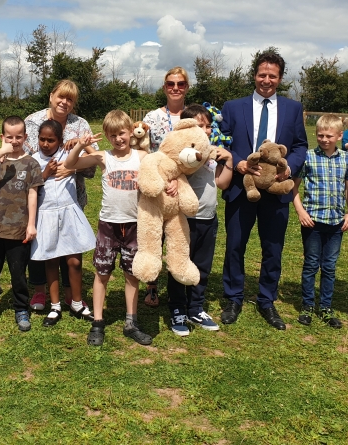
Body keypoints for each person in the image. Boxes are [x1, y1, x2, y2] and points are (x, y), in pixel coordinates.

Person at [218, 50, 308, 330]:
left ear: (280, 79)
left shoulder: (293, 109)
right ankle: (233, 298)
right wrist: (239, 162)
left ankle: (267, 300)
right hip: (241, 189)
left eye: (272, 75)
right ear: (254, 76)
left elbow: (300, 146)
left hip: (276, 191)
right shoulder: (233, 107)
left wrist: (288, 169)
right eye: (262, 74)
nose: (266, 80)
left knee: (273, 248)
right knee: (235, 245)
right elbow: (222, 142)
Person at [64, 110, 153, 346]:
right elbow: (70, 163)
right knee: (102, 274)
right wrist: (80, 146)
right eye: (112, 135)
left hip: (134, 225)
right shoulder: (104, 157)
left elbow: (161, 171)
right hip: (108, 226)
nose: (118, 139)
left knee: (131, 275)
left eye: (122, 133)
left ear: (130, 131)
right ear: (106, 135)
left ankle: (131, 322)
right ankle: (98, 321)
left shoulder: (142, 157)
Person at [24, 79, 96, 311]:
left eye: (70, 99)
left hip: (69, 199)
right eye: (60, 97)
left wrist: (72, 166)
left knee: (69, 247)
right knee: (41, 246)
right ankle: (39, 292)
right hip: (39, 201)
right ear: (51, 96)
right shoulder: (33, 122)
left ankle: (71, 296)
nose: (64, 102)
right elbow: (24, 160)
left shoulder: (80, 124)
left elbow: (93, 166)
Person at [167, 104, 234, 337]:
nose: (205, 130)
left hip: (208, 218)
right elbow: (174, 170)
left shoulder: (213, 151)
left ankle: (196, 307)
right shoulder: (183, 153)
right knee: (179, 263)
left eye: (207, 126)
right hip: (184, 219)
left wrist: (229, 160)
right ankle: (177, 308)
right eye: (199, 126)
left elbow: (223, 183)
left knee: (202, 266)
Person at [0, 116, 43, 332]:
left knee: (18, 273)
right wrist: (0, 152)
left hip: (18, 230)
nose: (14, 141)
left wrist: (31, 224)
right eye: (9, 137)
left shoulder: (32, 163)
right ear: (3, 137)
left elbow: (33, 195)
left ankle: (21, 308)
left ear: (25, 137)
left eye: (18, 137)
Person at [292, 115, 348, 329]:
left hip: (336, 222)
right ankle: (308, 306)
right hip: (313, 221)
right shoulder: (308, 158)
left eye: (329, 136)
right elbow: (294, 188)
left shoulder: (347, 159)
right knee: (311, 264)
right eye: (320, 135)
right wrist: (300, 211)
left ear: (339, 136)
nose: (325, 139)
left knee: (329, 266)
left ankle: (326, 307)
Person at [140, 66, 192, 307]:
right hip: (156, 185)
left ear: (186, 88)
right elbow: (142, 149)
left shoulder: (191, 118)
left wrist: (178, 179)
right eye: (171, 84)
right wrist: (161, 179)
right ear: (164, 87)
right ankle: (152, 287)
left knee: (178, 236)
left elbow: (195, 153)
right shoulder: (152, 118)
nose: (175, 88)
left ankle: (176, 286)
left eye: (180, 84)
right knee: (154, 236)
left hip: (184, 184)